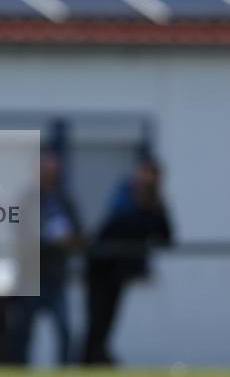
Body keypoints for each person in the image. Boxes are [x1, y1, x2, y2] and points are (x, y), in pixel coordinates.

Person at [83, 156, 172, 365]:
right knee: (97, 320)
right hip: (100, 266)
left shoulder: (156, 203)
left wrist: (157, 207)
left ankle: (98, 357)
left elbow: (166, 236)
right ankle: (88, 360)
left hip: (119, 271)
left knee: (108, 321)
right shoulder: (125, 195)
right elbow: (119, 224)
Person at [11, 150, 82, 365]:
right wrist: (49, 241)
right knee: (23, 331)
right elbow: (21, 234)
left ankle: (66, 371)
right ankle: (19, 371)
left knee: (64, 330)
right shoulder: (27, 199)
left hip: (56, 274)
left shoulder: (64, 199)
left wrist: (69, 240)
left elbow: (79, 232)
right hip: (31, 275)